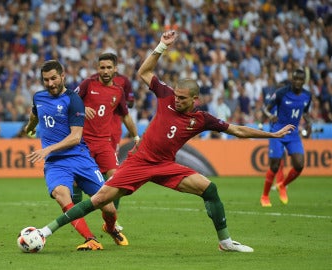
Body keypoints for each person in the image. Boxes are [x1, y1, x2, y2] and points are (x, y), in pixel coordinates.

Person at [35, 31, 294, 252]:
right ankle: (46, 231)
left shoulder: (202, 119)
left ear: (195, 100)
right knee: (100, 200)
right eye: (177, 96)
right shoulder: (165, 95)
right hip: (139, 162)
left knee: (209, 189)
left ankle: (225, 241)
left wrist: (271, 135)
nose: (176, 101)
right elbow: (144, 71)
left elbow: (237, 130)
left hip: (165, 165)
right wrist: (161, 47)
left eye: (182, 98)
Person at [24, 60, 128, 251]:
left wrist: (47, 149)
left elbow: (75, 137)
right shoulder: (38, 97)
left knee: (109, 208)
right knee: (61, 194)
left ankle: (111, 227)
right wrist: (29, 127)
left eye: (54, 78)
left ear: (62, 77)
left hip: (80, 158)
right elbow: (35, 114)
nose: (50, 83)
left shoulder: (73, 100)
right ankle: (90, 239)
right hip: (56, 163)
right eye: (46, 80)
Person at [72, 53, 139, 234]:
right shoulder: (88, 84)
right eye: (102, 67)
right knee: (77, 182)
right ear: (97, 68)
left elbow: (125, 115)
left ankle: (111, 219)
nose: (106, 71)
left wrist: (136, 137)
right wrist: (82, 108)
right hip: (83, 142)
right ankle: (75, 217)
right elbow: (70, 100)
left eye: (109, 67)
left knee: (117, 179)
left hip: (104, 143)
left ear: (115, 69)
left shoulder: (118, 91)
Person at [260, 68, 312, 206]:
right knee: (275, 165)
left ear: (304, 81)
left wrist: (309, 122)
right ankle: (265, 196)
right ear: (292, 79)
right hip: (278, 131)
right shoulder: (282, 93)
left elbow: (305, 112)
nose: (297, 82)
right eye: (295, 79)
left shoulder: (307, 95)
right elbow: (265, 108)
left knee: (299, 165)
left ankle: (282, 185)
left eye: (300, 79)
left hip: (293, 134)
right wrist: (271, 116)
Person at [259, 78, 285, 207]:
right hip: (274, 133)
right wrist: (261, 123)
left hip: (286, 134)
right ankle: (274, 186)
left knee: (280, 160)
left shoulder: (287, 102)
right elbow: (265, 110)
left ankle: (280, 184)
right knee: (275, 162)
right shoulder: (273, 102)